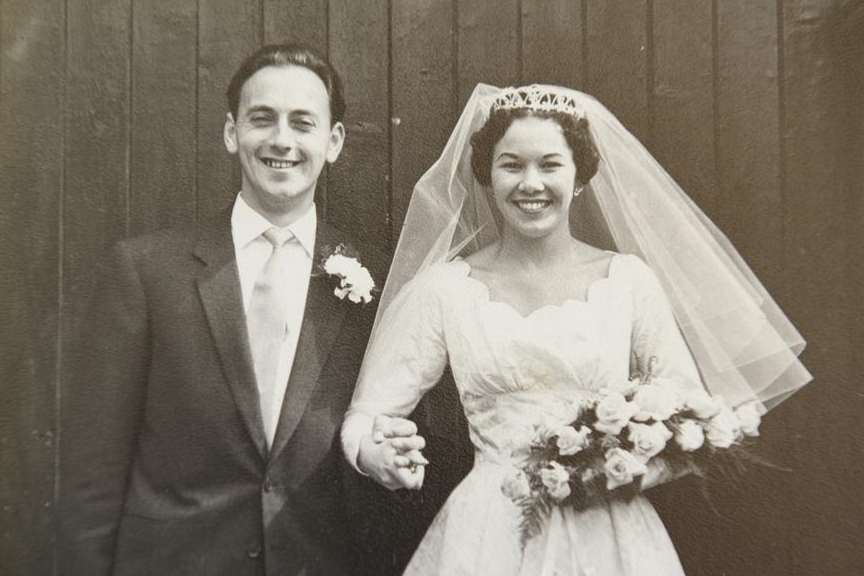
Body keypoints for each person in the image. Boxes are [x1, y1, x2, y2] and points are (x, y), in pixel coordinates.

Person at [341, 84, 812, 575]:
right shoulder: (444, 290)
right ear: (487, 175)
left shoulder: (628, 282)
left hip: (607, 533)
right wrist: (374, 453)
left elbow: (691, 421)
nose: (530, 183)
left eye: (550, 164)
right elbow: (366, 413)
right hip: (490, 531)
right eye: (511, 165)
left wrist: (620, 468)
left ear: (581, 176)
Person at [58, 43, 387, 576]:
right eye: (263, 119)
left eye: (303, 123)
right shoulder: (145, 272)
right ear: (233, 133)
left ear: (334, 142)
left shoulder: (376, 280)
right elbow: (91, 474)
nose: (282, 140)